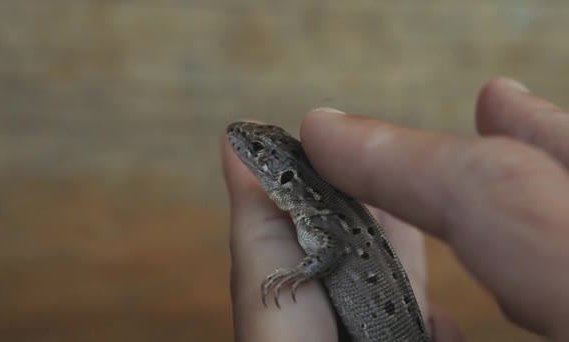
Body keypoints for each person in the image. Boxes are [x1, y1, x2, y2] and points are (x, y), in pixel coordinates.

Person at [220, 78, 569, 341]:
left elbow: (331, 251)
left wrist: (301, 272)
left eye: (255, 149)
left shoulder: (321, 218)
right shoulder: (321, 211)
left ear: (285, 175)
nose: (241, 143)